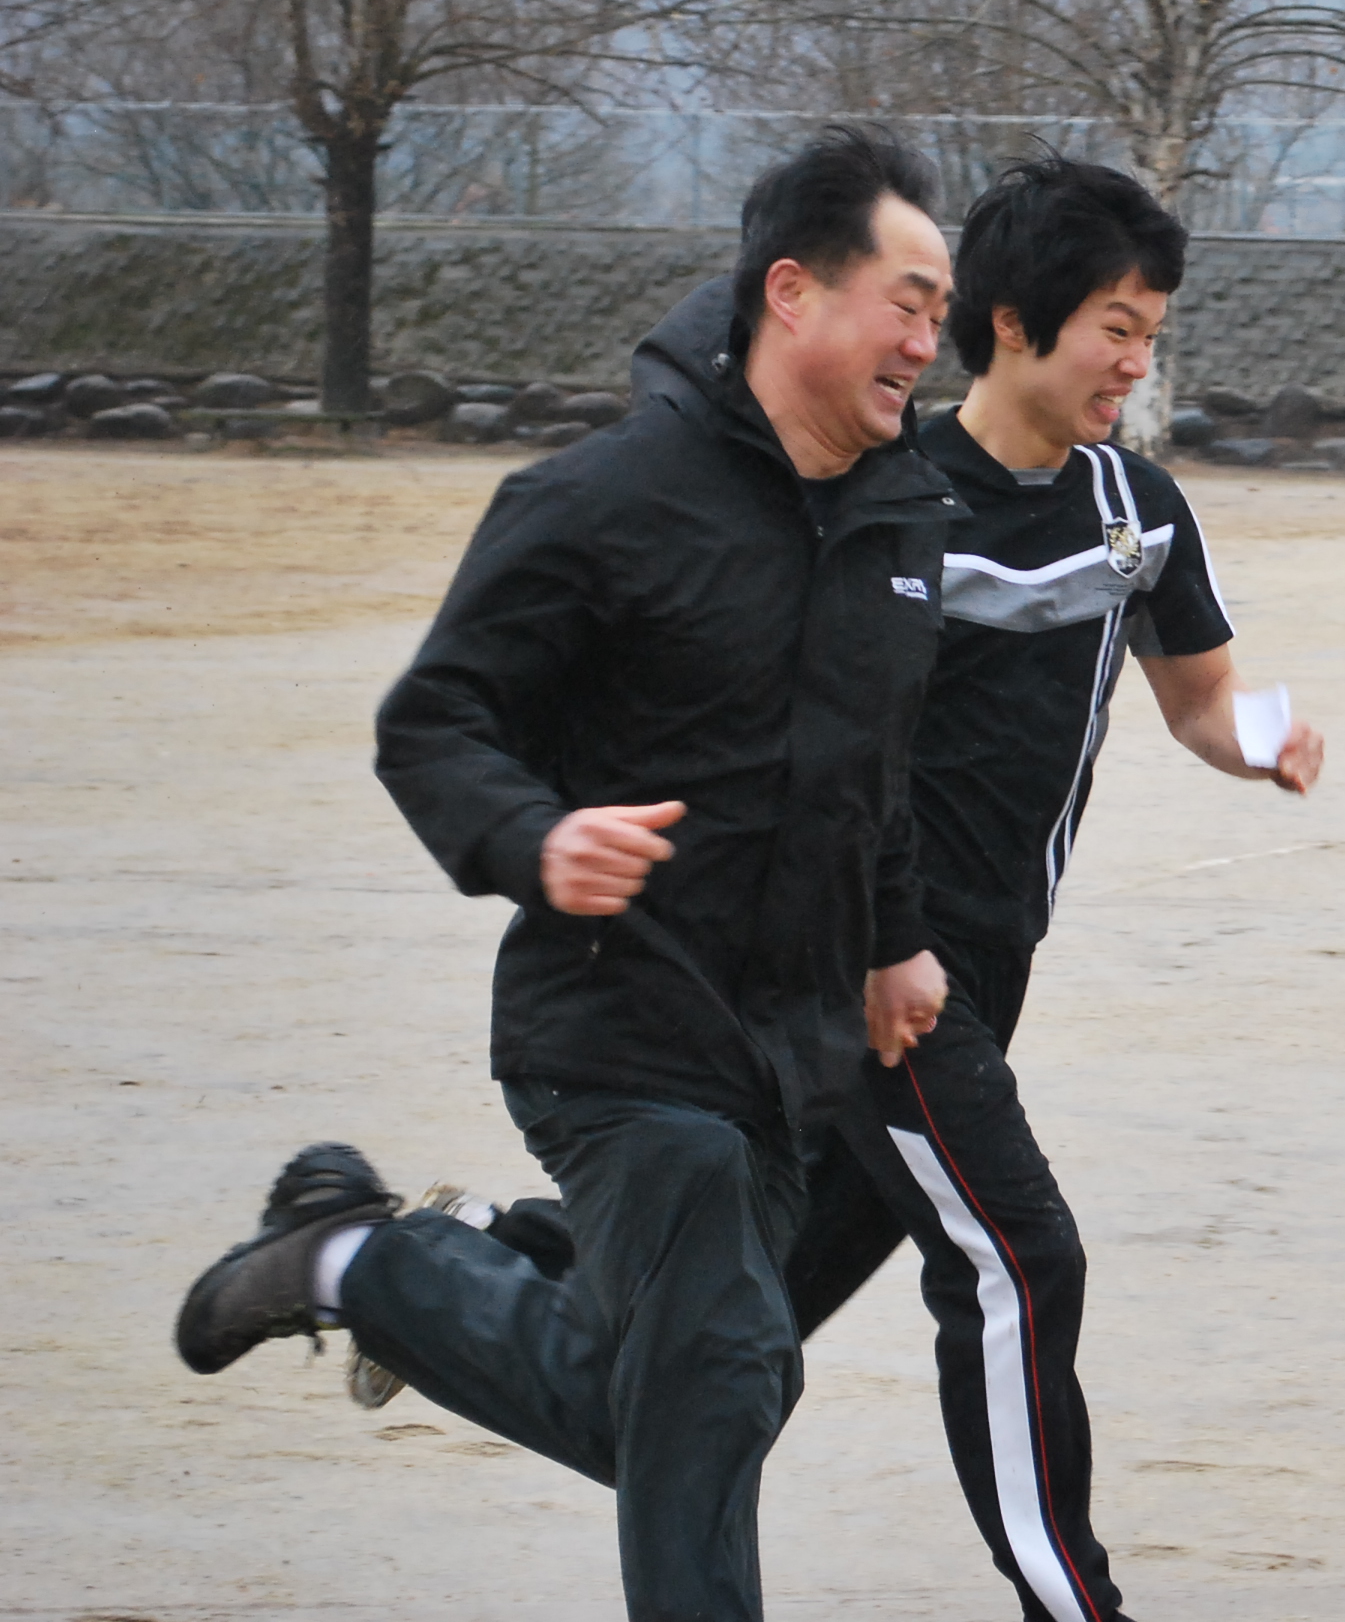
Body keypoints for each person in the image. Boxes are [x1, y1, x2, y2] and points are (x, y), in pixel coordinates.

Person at [363, 155, 1325, 1622]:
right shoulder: (886, 498)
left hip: (963, 974)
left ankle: (429, 1264)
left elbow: (1197, 700)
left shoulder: (1133, 511)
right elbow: (783, 748)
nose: (1137, 361)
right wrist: (863, 933)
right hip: (867, 977)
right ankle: (1077, 1604)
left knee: (702, 1377)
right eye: (1117, 329)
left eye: (1152, 334)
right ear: (1016, 325)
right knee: (1017, 1262)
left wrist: (1261, 740)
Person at [173, 125, 964, 1622]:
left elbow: (875, 762)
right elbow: (436, 723)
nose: (931, 343)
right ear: (793, 292)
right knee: (715, 1373)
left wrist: (895, 938)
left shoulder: (905, 515)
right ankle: (381, 1266)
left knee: (674, 1399)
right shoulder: (602, 499)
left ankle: (365, 1263)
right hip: (616, 1022)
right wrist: (537, 839)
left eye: (941, 313)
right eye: (908, 304)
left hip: (789, 1044)